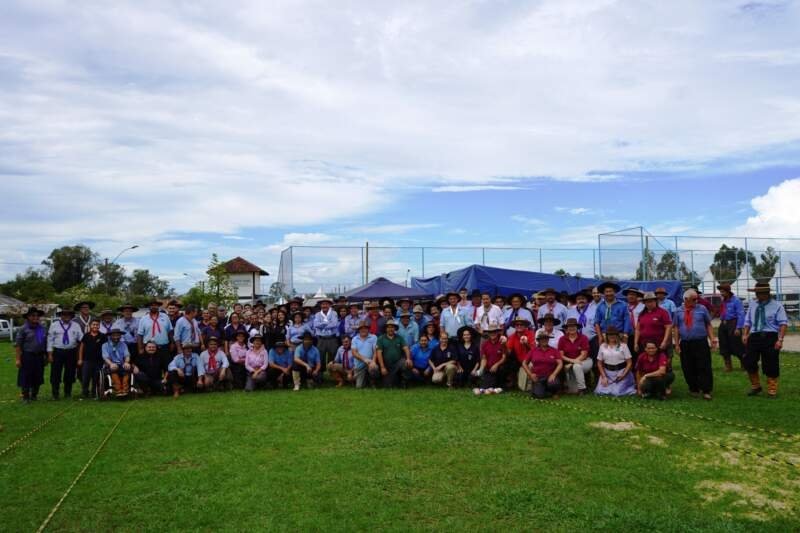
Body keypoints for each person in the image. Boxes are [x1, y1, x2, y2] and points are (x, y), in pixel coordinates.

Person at [742, 282, 788, 398]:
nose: (757, 295)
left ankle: (772, 389)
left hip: (770, 337)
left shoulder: (777, 306)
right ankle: (756, 386)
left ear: (767, 293)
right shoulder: (752, 305)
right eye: (756, 293)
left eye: (760, 293)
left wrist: (780, 340)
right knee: (749, 361)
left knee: (771, 363)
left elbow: (783, 324)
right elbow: (747, 321)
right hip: (754, 336)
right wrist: (745, 334)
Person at [674, 289, 717, 400]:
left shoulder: (702, 309)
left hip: (700, 342)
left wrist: (712, 339)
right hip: (685, 343)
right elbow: (676, 328)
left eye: (696, 299)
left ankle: (706, 390)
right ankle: (693, 388)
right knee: (688, 366)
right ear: (685, 299)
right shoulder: (678, 311)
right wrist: (677, 344)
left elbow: (708, 324)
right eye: (693, 299)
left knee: (704, 366)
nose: (695, 301)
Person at [47, 308, 84, 400]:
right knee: (55, 373)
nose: (66, 316)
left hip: (71, 352)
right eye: (64, 314)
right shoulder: (54, 325)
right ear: (61, 316)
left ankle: (67, 393)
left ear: (71, 316)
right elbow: (50, 340)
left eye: (68, 314)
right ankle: (55, 394)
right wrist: (50, 354)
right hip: (58, 352)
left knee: (70, 373)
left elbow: (82, 339)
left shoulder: (76, 325)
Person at [15, 307, 47, 403]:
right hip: (27, 356)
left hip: (40, 356)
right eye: (33, 315)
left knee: (38, 375)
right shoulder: (23, 329)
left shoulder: (42, 328)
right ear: (28, 317)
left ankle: (34, 395)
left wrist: (45, 355)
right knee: (26, 375)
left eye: (37, 316)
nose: (36, 317)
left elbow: (43, 343)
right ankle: (25, 396)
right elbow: (18, 345)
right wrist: (18, 359)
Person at [594, 327, 636, 397]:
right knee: (599, 392)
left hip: (621, 372)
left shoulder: (623, 346)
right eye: (609, 335)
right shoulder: (602, 346)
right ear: (606, 336)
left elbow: (629, 362)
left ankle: (628, 387)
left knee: (616, 393)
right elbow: (599, 363)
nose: (612, 336)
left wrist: (623, 375)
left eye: (614, 334)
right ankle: (610, 386)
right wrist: (604, 377)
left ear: (617, 335)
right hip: (607, 373)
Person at [523, 331, 563, 399]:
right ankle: (544, 390)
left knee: (554, 384)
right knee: (539, 395)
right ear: (539, 340)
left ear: (548, 339)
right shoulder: (533, 351)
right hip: (538, 377)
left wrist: (554, 374)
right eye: (542, 338)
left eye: (546, 338)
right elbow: (524, 363)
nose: (544, 340)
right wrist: (530, 374)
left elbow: (560, 363)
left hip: (550, 376)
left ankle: (554, 392)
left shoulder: (554, 350)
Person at [137, 299, 173, 373]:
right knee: (151, 367)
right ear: (149, 307)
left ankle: (166, 383)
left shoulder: (165, 317)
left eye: (156, 305)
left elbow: (170, 331)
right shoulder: (143, 319)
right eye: (152, 305)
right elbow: (140, 335)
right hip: (149, 348)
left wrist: (172, 343)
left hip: (163, 346)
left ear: (158, 306)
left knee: (167, 365)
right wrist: (140, 348)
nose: (154, 306)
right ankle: (151, 383)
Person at [558, 318, 592, 395]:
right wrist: (572, 361)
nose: (571, 328)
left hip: (585, 361)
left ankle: (582, 389)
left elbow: (584, 355)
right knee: (573, 391)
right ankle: (569, 386)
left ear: (577, 327)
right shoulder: (562, 339)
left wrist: (572, 363)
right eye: (569, 326)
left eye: (573, 326)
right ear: (566, 328)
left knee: (576, 366)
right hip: (570, 363)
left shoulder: (583, 338)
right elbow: (561, 355)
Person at [717, 282, 746, 372]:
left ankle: (744, 363)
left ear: (728, 291)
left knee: (737, 345)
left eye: (723, 292)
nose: (721, 293)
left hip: (733, 323)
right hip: (724, 323)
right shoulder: (723, 301)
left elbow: (741, 314)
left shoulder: (736, 301)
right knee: (723, 344)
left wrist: (738, 327)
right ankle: (728, 365)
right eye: (720, 292)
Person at [502, 316, 535, 391]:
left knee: (525, 388)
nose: (519, 326)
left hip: (531, 361)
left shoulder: (531, 334)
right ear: (514, 326)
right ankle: (511, 381)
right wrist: (503, 345)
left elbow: (534, 350)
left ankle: (533, 383)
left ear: (525, 326)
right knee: (507, 362)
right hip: (519, 361)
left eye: (521, 324)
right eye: (517, 325)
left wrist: (526, 344)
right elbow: (508, 352)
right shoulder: (512, 336)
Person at [376, 320, 411, 388]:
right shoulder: (381, 339)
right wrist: (382, 367)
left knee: (406, 363)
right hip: (386, 365)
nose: (390, 329)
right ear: (386, 329)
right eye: (388, 327)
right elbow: (379, 353)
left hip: (398, 363)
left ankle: (404, 382)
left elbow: (406, 348)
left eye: (392, 327)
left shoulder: (399, 338)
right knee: (388, 385)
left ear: (395, 329)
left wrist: (408, 359)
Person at [567, 291, 599, 363]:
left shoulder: (595, 309)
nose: (581, 300)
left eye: (583, 299)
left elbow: (598, 325)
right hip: (577, 341)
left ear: (587, 300)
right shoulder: (570, 311)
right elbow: (567, 326)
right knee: (580, 360)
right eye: (578, 299)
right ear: (576, 301)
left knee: (595, 359)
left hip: (592, 339)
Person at [77, 318, 105, 399]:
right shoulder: (86, 336)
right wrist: (80, 359)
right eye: (93, 324)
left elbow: (106, 348)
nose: (95, 326)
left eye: (97, 325)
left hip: (99, 361)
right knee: (85, 377)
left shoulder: (102, 336)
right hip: (87, 360)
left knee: (96, 377)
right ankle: (85, 393)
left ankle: (94, 393)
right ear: (90, 326)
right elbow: (81, 348)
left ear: (99, 326)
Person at [102, 328, 132, 398]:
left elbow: (127, 355)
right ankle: (118, 390)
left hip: (121, 364)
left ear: (120, 336)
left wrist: (127, 362)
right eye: (114, 335)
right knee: (114, 368)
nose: (116, 337)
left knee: (127, 368)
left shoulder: (123, 345)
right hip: (110, 364)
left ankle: (125, 390)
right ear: (110, 336)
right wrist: (111, 364)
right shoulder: (105, 345)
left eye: (118, 335)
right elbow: (105, 357)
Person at [352, 322, 380, 388]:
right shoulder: (355, 339)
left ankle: (372, 382)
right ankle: (364, 379)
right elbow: (354, 352)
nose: (363, 330)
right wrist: (365, 359)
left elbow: (375, 351)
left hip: (370, 363)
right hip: (359, 366)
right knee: (359, 387)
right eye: (361, 328)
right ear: (359, 330)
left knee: (374, 368)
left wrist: (373, 361)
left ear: (368, 329)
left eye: (365, 328)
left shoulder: (373, 337)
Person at [478, 322, 507, 388]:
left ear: (497, 332)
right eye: (490, 332)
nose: (492, 333)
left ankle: (501, 384)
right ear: (488, 333)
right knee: (485, 386)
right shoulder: (485, 344)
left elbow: (504, 357)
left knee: (495, 384)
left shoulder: (502, 342)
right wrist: (481, 368)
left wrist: (496, 365)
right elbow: (484, 358)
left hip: (500, 367)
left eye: (494, 331)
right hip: (489, 368)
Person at [621, 288, 644, 358]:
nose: (631, 296)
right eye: (629, 295)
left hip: (640, 334)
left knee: (639, 354)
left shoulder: (643, 307)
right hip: (627, 335)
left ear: (637, 296)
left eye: (633, 295)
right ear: (626, 296)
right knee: (628, 354)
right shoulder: (623, 307)